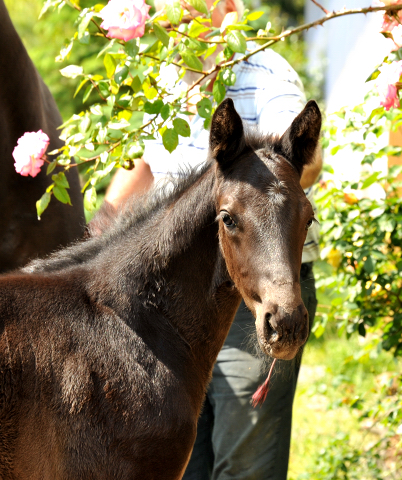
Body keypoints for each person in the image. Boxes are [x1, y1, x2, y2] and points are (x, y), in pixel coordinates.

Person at [105, 1, 322, 478]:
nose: (176, 7)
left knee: (244, 467)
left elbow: (304, 157)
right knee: (179, 462)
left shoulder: (266, 72)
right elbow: (144, 167)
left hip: (255, 294)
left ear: (228, 6)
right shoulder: (166, 74)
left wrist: (245, 166)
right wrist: (97, 235)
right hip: (177, 301)